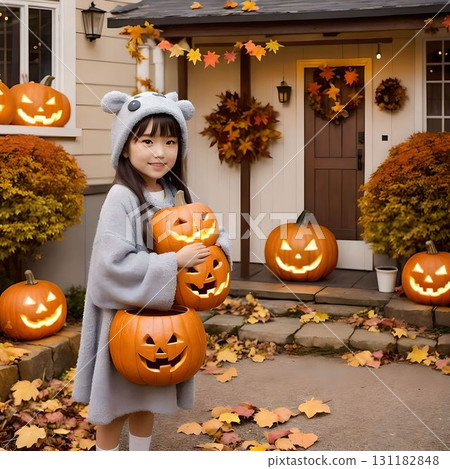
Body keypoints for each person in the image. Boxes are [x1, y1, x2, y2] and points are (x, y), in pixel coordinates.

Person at [72, 91, 232, 451]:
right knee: (114, 405)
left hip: (163, 318)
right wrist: (172, 262)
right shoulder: (121, 198)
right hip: (124, 321)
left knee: (147, 398)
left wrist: (218, 247)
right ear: (125, 147)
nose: (160, 152)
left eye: (170, 141)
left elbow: (203, 233)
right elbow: (107, 268)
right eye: (147, 141)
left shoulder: (175, 192)